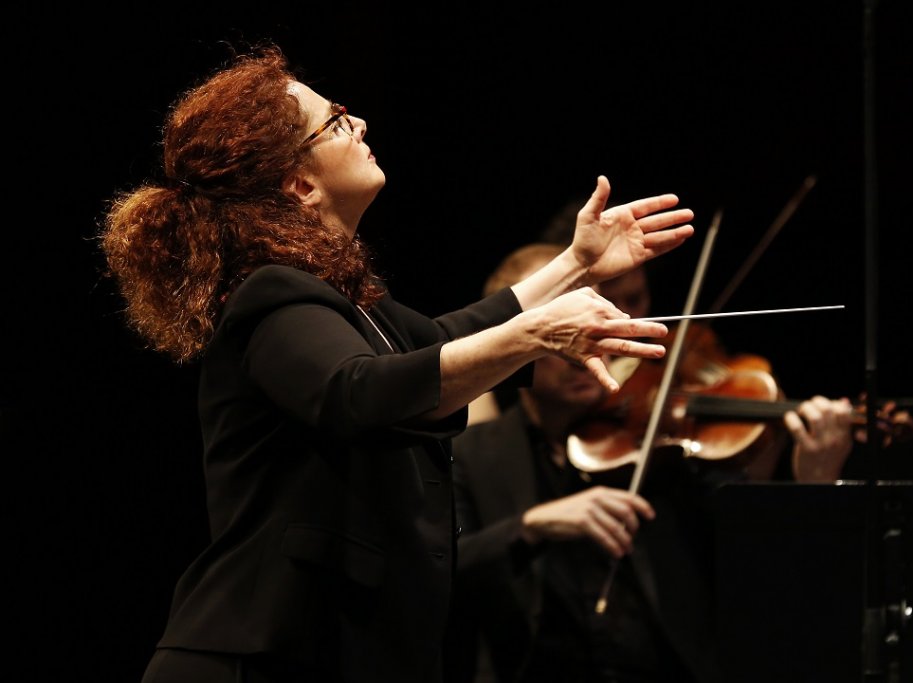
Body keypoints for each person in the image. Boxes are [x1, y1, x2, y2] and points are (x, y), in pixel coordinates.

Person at [98, 45, 699, 683]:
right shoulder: (269, 291)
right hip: (260, 655)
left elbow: (438, 345)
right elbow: (358, 391)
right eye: (334, 123)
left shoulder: (349, 298)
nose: (357, 125)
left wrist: (577, 262)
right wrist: (531, 338)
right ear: (299, 184)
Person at [446, 243, 855, 683]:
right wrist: (531, 526)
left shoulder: (662, 442)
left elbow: (761, 578)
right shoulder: (472, 453)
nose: (586, 342)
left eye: (592, 317)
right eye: (558, 328)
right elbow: (442, 573)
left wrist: (813, 486)